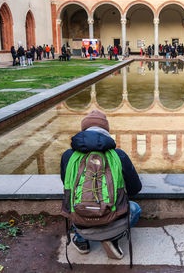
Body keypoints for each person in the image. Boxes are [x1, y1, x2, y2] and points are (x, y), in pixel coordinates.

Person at [60, 110, 142, 259]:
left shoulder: (68, 156)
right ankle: (111, 238)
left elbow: (67, 186)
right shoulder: (119, 155)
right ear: (106, 132)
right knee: (135, 208)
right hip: (112, 221)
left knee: (74, 203)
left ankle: (81, 240)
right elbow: (135, 189)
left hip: (80, 222)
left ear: (83, 130)